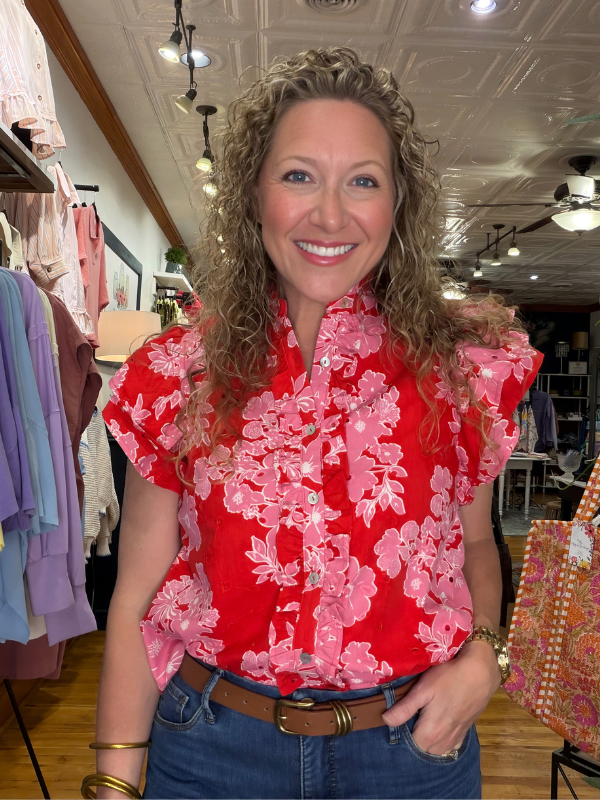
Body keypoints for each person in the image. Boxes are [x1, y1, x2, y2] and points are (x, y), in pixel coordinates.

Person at [86, 48, 542, 800]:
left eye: (362, 181)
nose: (330, 215)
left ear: (396, 205)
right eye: (299, 175)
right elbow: (137, 592)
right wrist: (112, 780)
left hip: (409, 754)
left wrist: (487, 656)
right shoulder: (178, 373)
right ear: (254, 192)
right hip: (209, 753)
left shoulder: (460, 368)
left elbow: (476, 543)